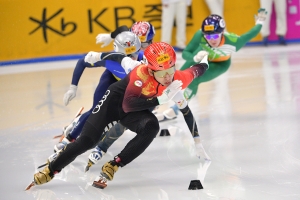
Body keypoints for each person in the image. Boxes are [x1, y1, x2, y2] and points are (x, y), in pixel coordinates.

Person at [31, 42, 209, 189]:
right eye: (162, 73)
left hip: (135, 111)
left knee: (152, 127)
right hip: (113, 103)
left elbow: (198, 71)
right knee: (88, 141)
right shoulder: (139, 72)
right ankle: (51, 170)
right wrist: (99, 56)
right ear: (151, 70)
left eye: (171, 70)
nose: (168, 77)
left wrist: (197, 141)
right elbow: (127, 103)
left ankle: (115, 164)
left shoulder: (177, 79)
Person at [53, 23, 151, 152]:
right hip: (111, 80)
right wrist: (73, 87)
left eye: (135, 53)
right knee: (96, 110)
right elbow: (82, 62)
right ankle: (69, 138)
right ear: (117, 54)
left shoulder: (146, 60)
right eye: (126, 56)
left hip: (130, 86)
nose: (131, 59)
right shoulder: (108, 60)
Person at [156, 9, 268, 120]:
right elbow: (186, 53)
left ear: (222, 33)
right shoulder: (200, 35)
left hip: (219, 64)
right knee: (176, 77)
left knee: (194, 80)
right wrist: (194, 57)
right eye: (208, 37)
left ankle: (176, 109)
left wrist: (260, 22)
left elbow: (250, 34)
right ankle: (153, 101)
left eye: (215, 36)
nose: (212, 40)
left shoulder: (233, 42)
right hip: (202, 57)